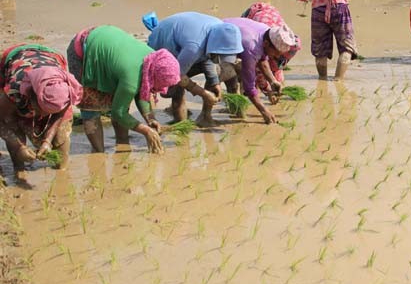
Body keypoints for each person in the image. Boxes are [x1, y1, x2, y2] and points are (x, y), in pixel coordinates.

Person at [67, 25, 180, 154]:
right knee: (90, 106)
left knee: (120, 99)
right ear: (155, 73)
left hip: (108, 43)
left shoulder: (153, 59)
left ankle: (122, 143)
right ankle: (98, 152)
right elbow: (118, 113)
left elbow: (142, 89)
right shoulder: (131, 76)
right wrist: (146, 130)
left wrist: (150, 119)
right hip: (83, 49)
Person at [145, 12, 243, 127]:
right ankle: (180, 122)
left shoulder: (221, 29)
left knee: (214, 72)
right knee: (175, 85)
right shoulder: (194, 47)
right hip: (164, 43)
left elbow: (208, 57)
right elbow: (177, 76)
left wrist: (215, 82)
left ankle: (203, 117)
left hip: (186, 41)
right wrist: (204, 94)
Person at [0, 44, 82, 170]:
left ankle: (62, 171)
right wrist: (18, 146)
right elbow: (1, 121)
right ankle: (19, 169)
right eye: (40, 110)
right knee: (13, 125)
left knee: (61, 134)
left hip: (51, 58)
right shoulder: (14, 90)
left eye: (47, 113)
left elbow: (60, 114)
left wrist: (47, 141)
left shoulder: (63, 91)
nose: (43, 116)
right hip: (17, 58)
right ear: (32, 98)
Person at [222, 17, 298, 124]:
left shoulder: (267, 32)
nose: (276, 56)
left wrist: (273, 81)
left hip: (229, 32)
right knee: (226, 76)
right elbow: (249, 88)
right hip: (217, 40)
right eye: (276, 53)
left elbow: (262, 58)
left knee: (234, 75)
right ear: (267, 44)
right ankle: (205, 115)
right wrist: (264, 111)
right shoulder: (251, 48)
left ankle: (235, 111)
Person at [242, 2, 301, 92]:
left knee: (275, 66)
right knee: (250, 72)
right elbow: (260, 67)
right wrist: (267, 90)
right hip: (252, 16)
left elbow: (279, 65)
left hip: (271, 14)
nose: (278, 56)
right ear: (268, 45)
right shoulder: (256, 44)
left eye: (280, 54)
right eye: (276, 53)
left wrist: (276, 81)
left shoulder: (291, 44)